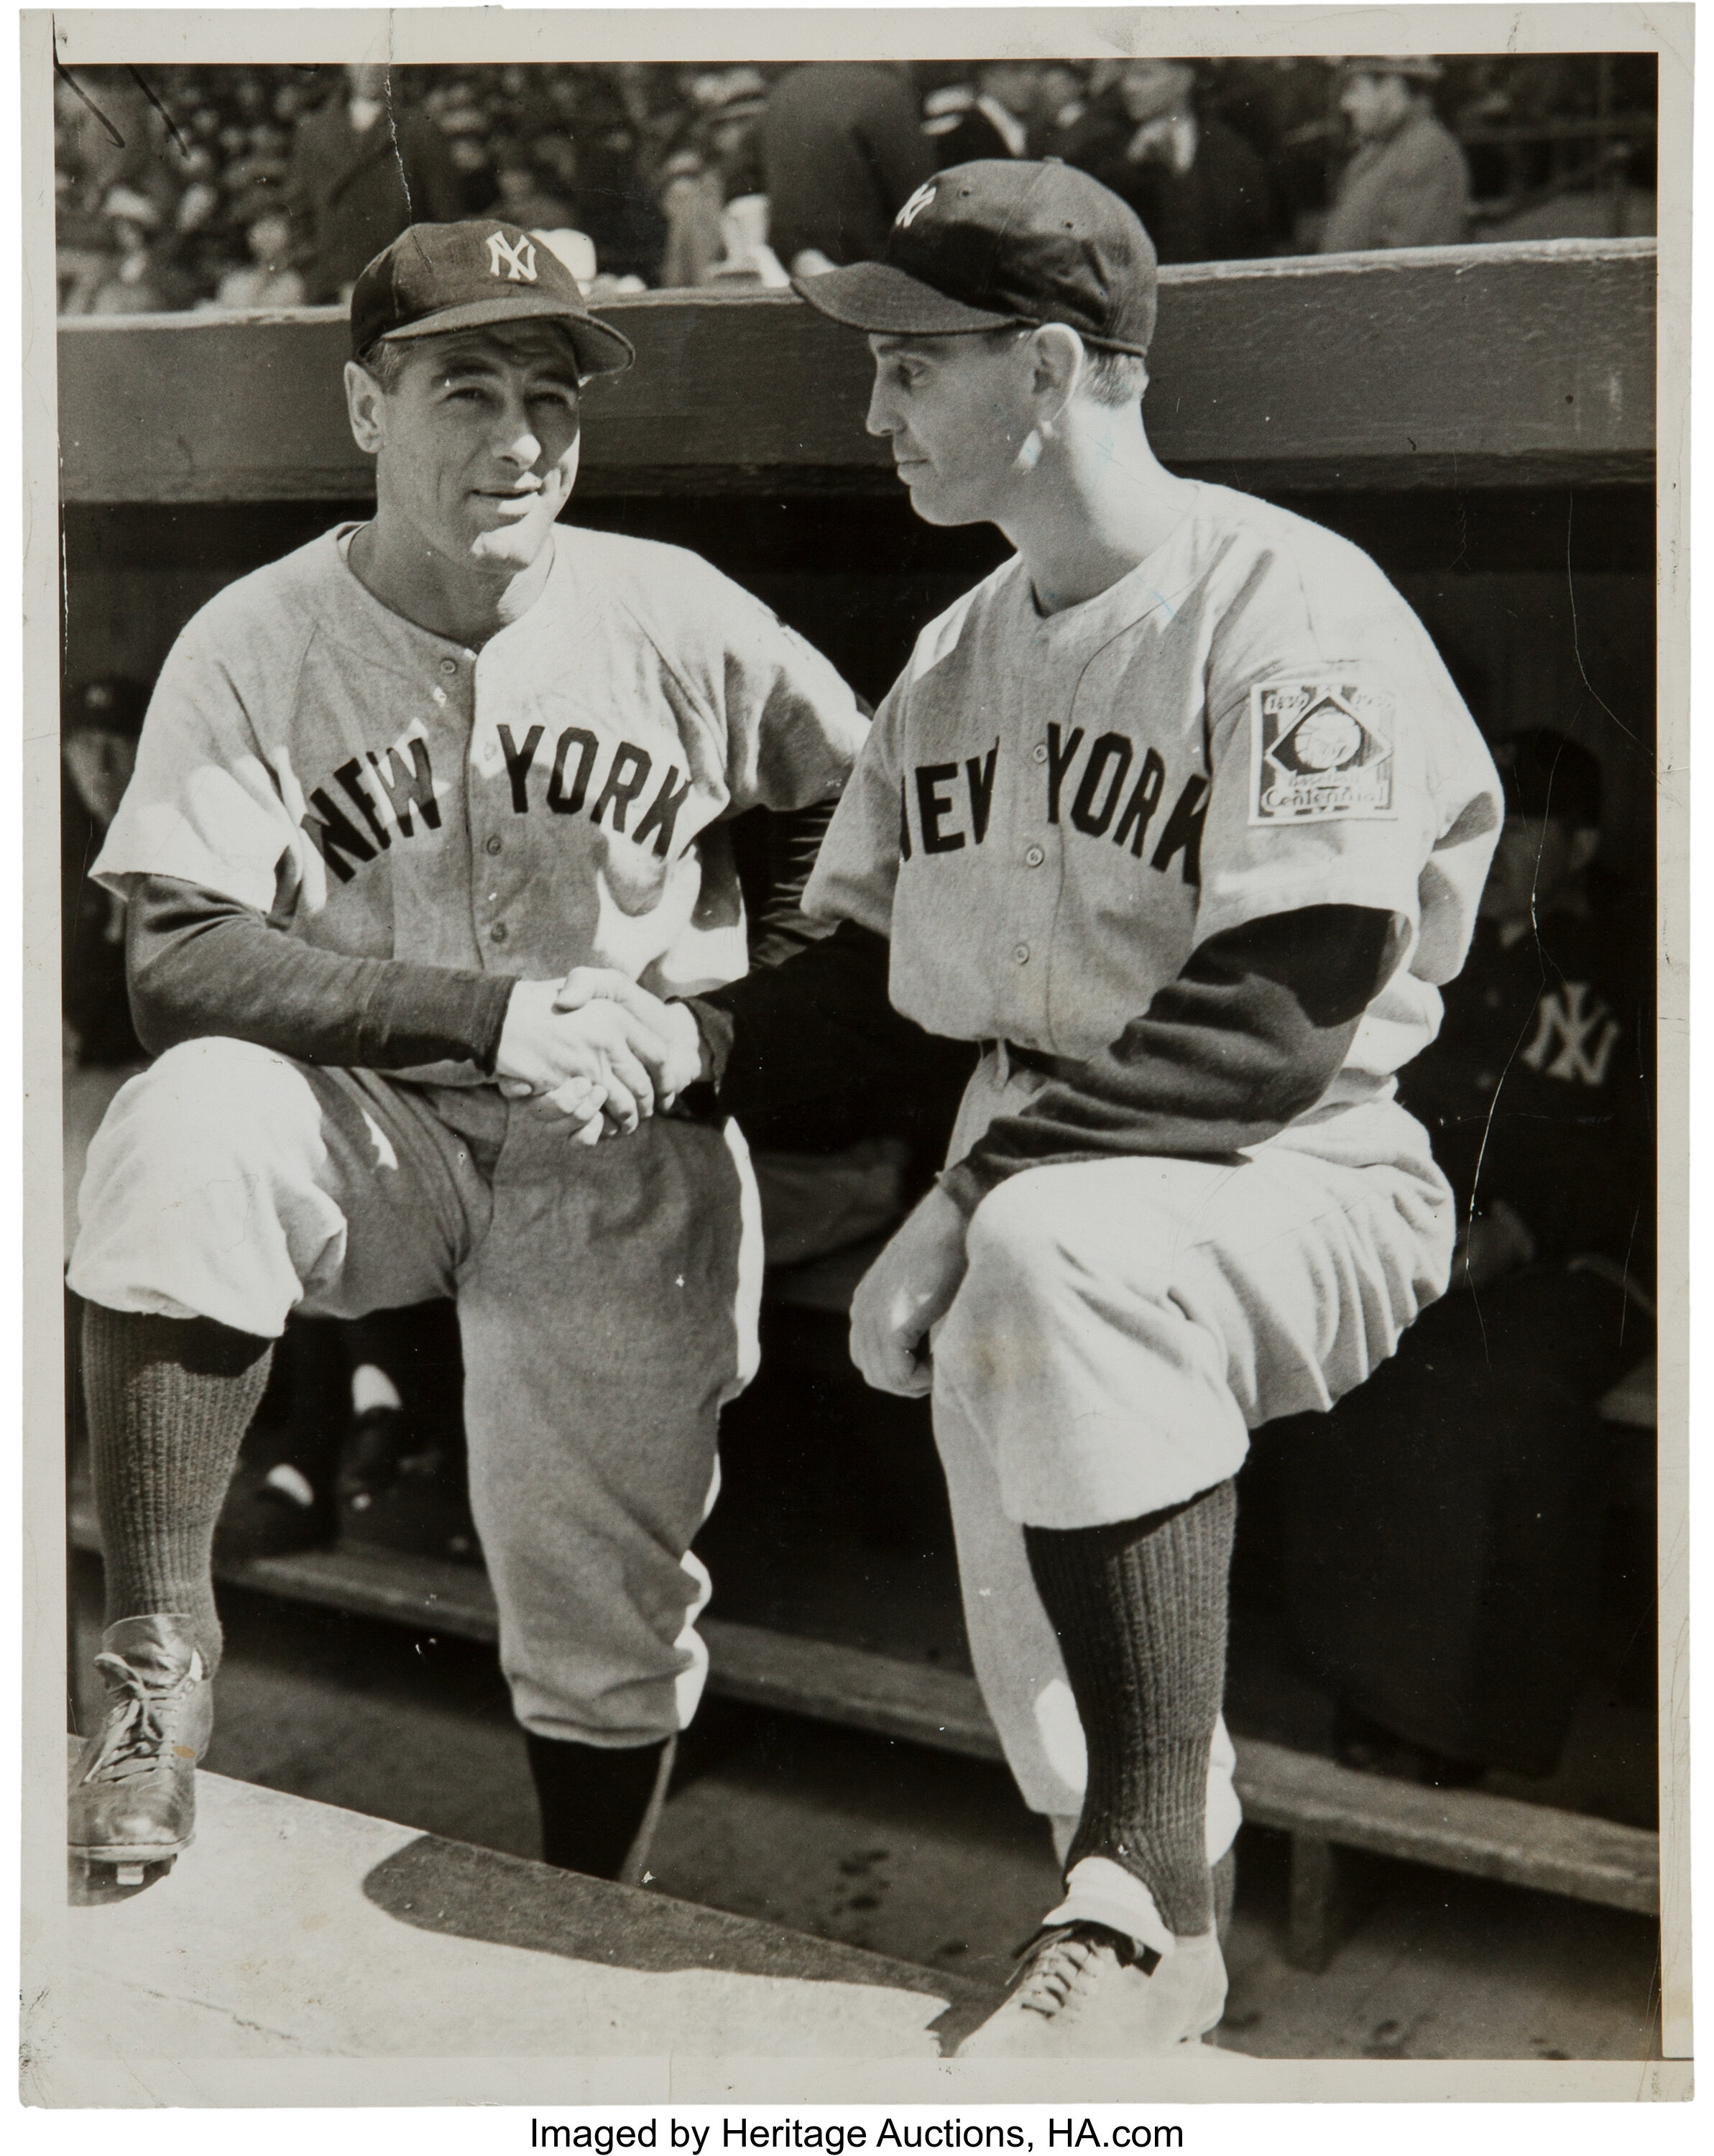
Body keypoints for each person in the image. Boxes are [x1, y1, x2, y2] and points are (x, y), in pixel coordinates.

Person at [614, 159, 1501, 2053]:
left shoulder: (1287, 607)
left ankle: (1138, 1893)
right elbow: (863, 981)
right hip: (1038, 1154)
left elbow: (1281, 1009)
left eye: (911, 364)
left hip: (1297, 1154)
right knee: (1035, 1559)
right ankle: (1142, 1938)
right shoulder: (960, 653)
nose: (875, 412)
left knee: (1043, 1253)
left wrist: (957, 1203)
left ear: (1045, 367)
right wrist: (674, 1037)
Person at [65, 218, 867, 1886]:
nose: (519, 440)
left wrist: (713, 1033)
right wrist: (488, 1012)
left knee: (600, 1615)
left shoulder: (677, 615)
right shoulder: (258, 636)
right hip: (376, 1130)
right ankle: (151, 1672)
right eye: (466, 390)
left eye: (551, 398)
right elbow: (172, 956)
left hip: (618, 1144)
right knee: (181, 1122)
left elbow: (852, 834)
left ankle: (590, 1900)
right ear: (366, 408)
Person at [1270, 731, 1654, 1783]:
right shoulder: (1430, 940)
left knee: (1496, 1398)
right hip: (1424, 1237)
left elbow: (1650, 1146)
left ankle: (1460, 1723)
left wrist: (1526, 1229)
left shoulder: (1633, 950)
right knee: (1353, 1357)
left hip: (1579, 1265)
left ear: (1580, 844)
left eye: (1532, 830)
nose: (1505, 850)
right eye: (1492, 827)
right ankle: (1366, 1687)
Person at [285, 64, 462, 303]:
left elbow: (445, 218)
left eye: (379, 60)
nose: (370, 69)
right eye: (360, 60)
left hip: (402, 287)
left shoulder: (419, 131)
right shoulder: (314, 134)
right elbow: (299, 214)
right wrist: (325, 278)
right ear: (345, 66)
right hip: (333, 289)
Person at [1073, 58, 1278, 264]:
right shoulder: (1107, 149)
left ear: (1183, 80)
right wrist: (1130, 166)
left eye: (1144, 75)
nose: (1128, 87)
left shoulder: (1229, 149)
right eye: (1124, 77)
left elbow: (1252, 236)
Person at [762, 62, 934, 280]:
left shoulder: (783, 92)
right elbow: (920, 201)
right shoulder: (883, 91)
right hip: (871, 275)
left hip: (800, 270)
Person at [1319, 56, 1470, 254]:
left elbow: (1403, 263)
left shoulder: (1425, 150)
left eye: (1354, 90)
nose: (1346, 104)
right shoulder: (1385, 147)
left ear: (1392, 89)